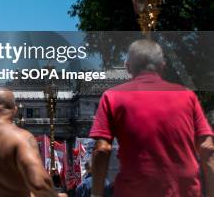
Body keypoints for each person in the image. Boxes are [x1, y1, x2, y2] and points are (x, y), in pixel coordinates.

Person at [89, 39, 214, 197]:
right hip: (185, 191)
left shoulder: (112, 96)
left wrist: (96, 195)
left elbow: (102, 149)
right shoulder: (188, 96)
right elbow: (207, 147)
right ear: (162, 66)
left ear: (128, 67)